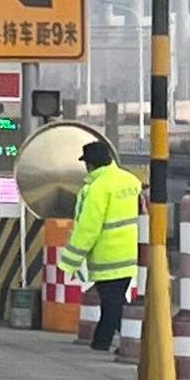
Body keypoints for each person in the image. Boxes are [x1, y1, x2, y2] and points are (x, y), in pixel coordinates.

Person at [58, 140, 142, 352]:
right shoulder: (131, 180)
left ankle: (126, 342)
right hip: (132, 254)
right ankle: (107, 341)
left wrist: (70, 261)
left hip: (108, 257)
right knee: (115, 301)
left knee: (112, 303)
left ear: (90, 165)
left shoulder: (96, 189)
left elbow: (88, 228)